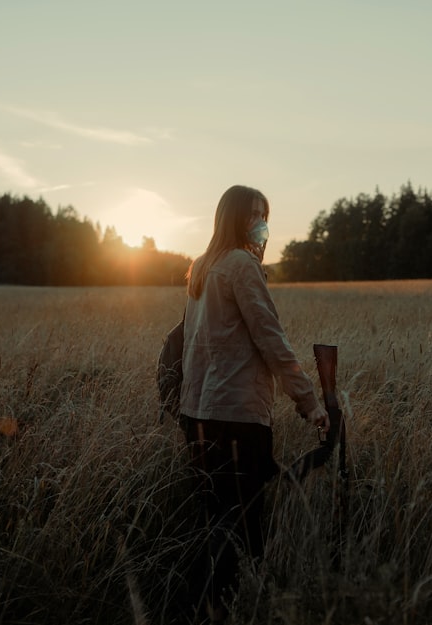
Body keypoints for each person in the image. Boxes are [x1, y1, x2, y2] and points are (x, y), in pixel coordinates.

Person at [179, 184, 328, 622]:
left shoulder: (203, 266)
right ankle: (225, 612)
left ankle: (199, 610)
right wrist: (309, 401)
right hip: (237, 418)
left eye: (265, 214)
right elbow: (272, 340)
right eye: (253, 214)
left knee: (216, 528)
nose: (262, 224)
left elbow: (187, 342)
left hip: (199, 418)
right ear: (233, 218)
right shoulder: (242, 265)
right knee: (244, 536)